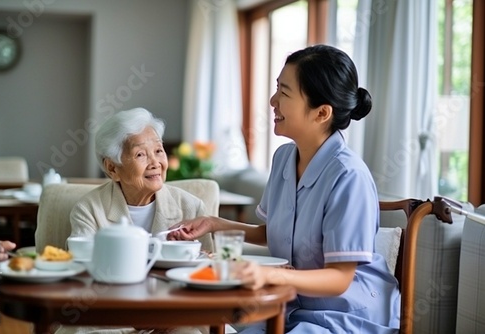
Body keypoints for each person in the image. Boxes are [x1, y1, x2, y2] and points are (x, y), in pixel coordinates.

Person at [170, 44, 401, 333]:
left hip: (347, 317)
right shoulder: (283, 159)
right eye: (277, 88)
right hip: (293, 308)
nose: (272, 100)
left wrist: (270, 274)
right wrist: (213, 223)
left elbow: (340, 278)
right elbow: (276, 233)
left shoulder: (348, 176)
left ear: (321, 113)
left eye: (285, 92)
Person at [57, 107, 213, 334]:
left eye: (159, 151)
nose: (155, 162)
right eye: (141, 154)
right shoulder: (89, 209)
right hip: (110, 316)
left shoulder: (192, 208)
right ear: (112, 168)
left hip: (177, 314)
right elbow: (81, 276)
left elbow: (207, 278)